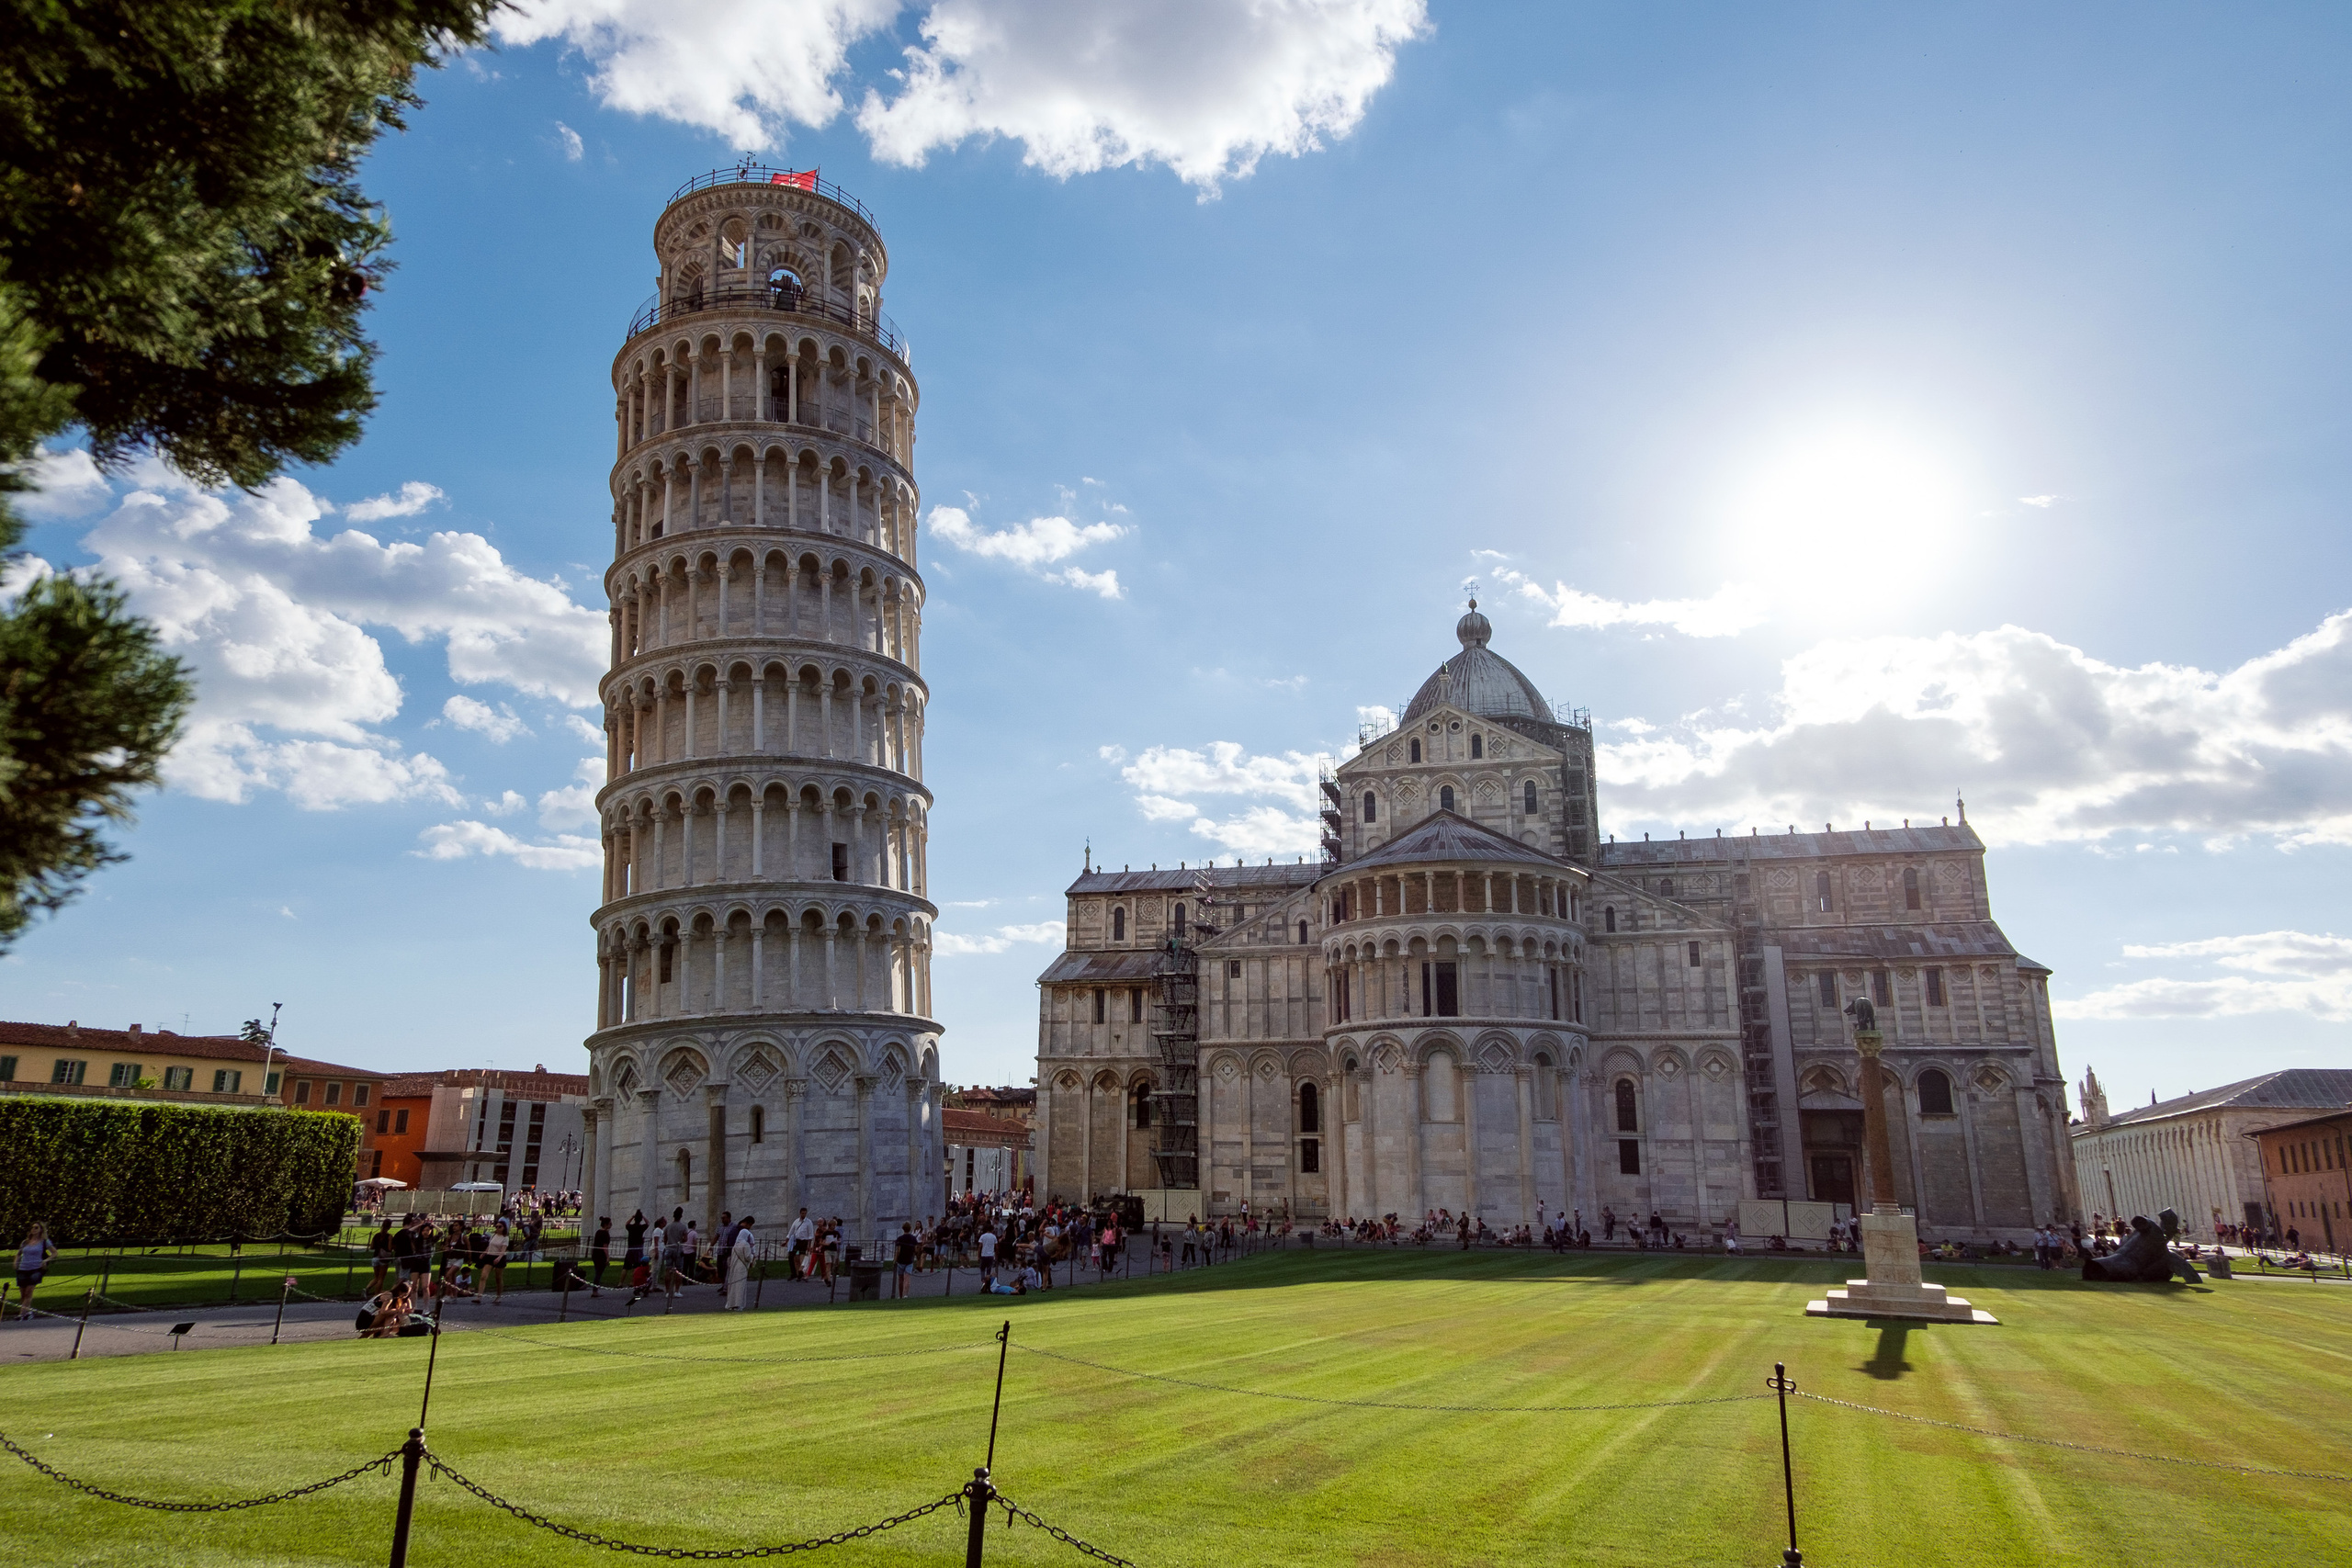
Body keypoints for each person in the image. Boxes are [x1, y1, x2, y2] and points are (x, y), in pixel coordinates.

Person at [11, 1222, 58, 1321]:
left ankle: (21, 1314)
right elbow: (19, 1254)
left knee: (29, 1291)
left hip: (35, 1269)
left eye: (36, 1227)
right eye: (32, 1227)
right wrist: (16, 1262)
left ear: (41, 1230)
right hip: (23, 1268)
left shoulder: (44, 1242)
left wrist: (45, 1260)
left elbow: (54, 1253)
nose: (34, 1229)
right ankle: (28, 1312)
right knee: (23, 1293)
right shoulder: (25, 1242)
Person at [725, 1215, 757, 1311]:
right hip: (742, 1267)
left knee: (733, 1286)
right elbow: (748, 1257)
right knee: (740, 1286)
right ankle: (738, 1304)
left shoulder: (736, 1245)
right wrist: (753, 1258)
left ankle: (730, 1304)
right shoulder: (745, 1244)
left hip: (734, 1266)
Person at [481, 1220, 510, 1303]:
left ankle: (498, 1296)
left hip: (499, 1257)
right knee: (483, 1276)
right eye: (496, 1226)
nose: (497, 1228)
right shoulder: (493, 1235)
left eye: (500, 1227)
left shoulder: (505, 1238)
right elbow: (489, 1246)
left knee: (498, 1278)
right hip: (490, 1256)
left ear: (504, 1228)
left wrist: (499, 1258)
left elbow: (503, 1250)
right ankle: (479, 1296)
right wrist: (484, 1253)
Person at [894, 1222, 918, 1299]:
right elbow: (916, 1250)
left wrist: (895, 1260)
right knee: (907, 1278)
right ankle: (905, 1295)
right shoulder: (913, 1238)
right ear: (910, 1229)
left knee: (900, 1279)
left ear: (903, 1229)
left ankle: (900, 1295)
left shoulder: (900, 1238)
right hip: (909, 1260)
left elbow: (898, 1251)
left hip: (901, 1260)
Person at [590, 1218, 612, 1294]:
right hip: (601, 1255)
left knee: (597, 1272)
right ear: (606, 1224)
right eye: (610, 1223)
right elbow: (605, 1246)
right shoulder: (605, 1234)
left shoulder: (598, 1232)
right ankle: (595, 1291)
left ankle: (595, 1289)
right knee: (598, 1273)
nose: (611, 1225)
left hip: (595, 1254)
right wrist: (607, 1257)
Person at [978, 1219, 999, 1287]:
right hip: (991, 1255)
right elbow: (996, 1247)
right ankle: (988, 1281)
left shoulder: (983, 1236)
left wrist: (978, 1255)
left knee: (982, 1268)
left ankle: (983, 1280)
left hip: (984, 1254)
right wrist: (996, 1254)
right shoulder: (994, 1237)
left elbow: (980, 1246)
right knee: (989, 1269)